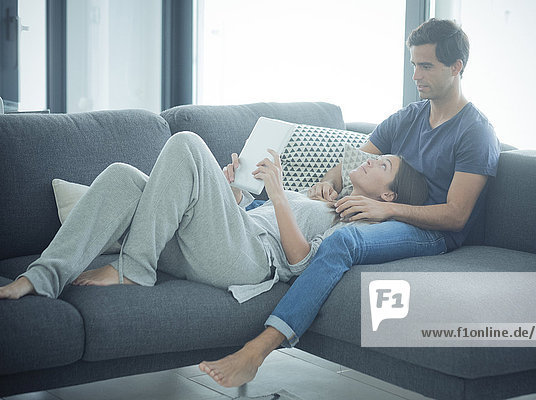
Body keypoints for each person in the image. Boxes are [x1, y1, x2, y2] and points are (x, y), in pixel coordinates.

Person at [199, 18, 501, 387]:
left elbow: (456, 216)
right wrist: (327, 184)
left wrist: (387, 208)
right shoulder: (408, 117)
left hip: (433, 231)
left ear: (456, 68)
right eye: (413, 65)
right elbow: (349, 164)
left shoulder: (476, 132)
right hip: (392, 214)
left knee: (344, 240)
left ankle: (259, 350)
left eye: (426, 66)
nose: (416, 76)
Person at [0, 130, 427, 301]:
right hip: (224, 239)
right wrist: (228, 192)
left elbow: (300, 263)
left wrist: (278, 193)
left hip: (251, 263)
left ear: (389, 194)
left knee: (187, 141)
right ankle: (40, 277)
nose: (371, 160)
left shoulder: (360, 228)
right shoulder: (330, 200)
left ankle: (135, 268)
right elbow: (252, 217)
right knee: (122, 177)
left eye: (383, 165)